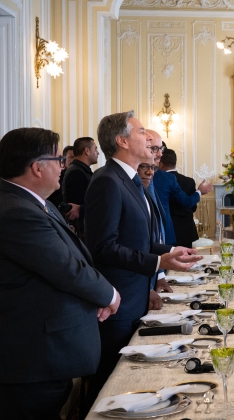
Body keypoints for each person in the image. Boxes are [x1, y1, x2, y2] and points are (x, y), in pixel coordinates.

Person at [0, 127, 119, 419]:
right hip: (30, 359)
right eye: (58, 160)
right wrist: (108, 294)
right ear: (37, 168)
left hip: (41, 356)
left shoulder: (32, 202)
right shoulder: (16, 211)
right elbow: (66, 268)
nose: (63, 166)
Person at [83, 111, 200, 410]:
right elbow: (104, 247)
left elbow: (137, 239)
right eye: (141, 131)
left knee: (131, 381)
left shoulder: (130, 179)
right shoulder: (107, 181)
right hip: (118, 299)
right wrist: (157, 264)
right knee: (110, 384)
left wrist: (170, 250)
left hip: (136, 294)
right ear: (122, 141)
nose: (149, 137)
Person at [147, 129, 211, 245]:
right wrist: (199, 192)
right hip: (175, 231)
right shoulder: (171, 179)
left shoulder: (135, 174)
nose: (159, 153)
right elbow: (188, 204)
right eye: (156, 149)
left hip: (151, 233)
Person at [159, 149, 202, 246]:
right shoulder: (189, 181)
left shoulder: (157, 180)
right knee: (187, 260)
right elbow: (192, 208)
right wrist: (199, 192)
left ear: (160, 164)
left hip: (167, 231)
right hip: (186, 231)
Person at [63, 137, 99, 237]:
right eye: (95, 149)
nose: (98, 153)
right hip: (82, 231)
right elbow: (80, 205)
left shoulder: (81, 171)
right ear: (87, 151)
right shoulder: (76, 173)